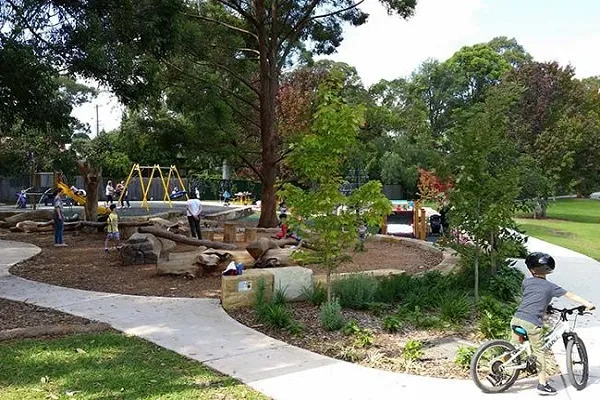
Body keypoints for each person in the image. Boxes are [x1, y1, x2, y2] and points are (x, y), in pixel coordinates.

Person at [510, 252, 595, 396]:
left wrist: (545, 307)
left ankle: (504, 370)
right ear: (549, 269)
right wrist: (587, 304)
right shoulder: (550, 287)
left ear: (532, 269)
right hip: (532, 323)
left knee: (513, 349)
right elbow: (570, 295)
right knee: (539, 352)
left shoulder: (526, 282)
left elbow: (533, 296)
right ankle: (542, 385)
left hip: (517, 318)